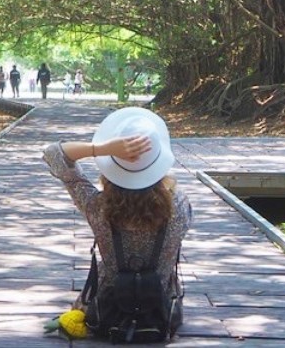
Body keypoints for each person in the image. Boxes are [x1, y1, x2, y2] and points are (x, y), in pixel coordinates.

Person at [42, 107, 191, 340]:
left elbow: (53, 153)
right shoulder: (179, 206)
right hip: (162, 309)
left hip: (106, 309)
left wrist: (101, 149)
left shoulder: (98, 207)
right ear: (158, 163)